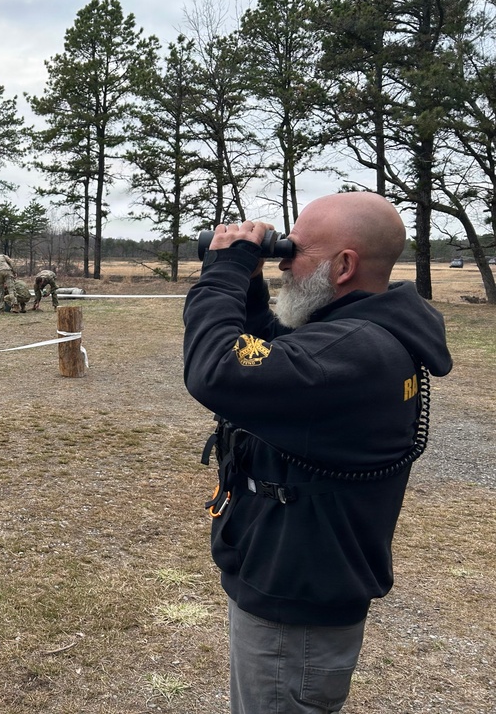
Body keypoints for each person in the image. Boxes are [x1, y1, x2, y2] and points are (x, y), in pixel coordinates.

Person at [182, 191, 453, 714]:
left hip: (294, 612)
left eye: (295, 250)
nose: (283, 260)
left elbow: (217, 371)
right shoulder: (359, 335)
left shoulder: (350, 352)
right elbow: (274, 356)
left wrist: (223, 272)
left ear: (344, 265)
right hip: (303, 582)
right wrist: (251, 285)